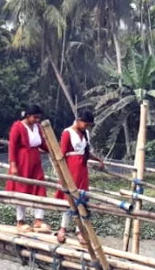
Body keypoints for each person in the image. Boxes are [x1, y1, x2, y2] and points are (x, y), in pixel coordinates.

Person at [54, 110, 104, 244]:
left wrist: (98, 159)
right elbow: (62, 154)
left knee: (81, 199)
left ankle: (80, 230)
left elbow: (86, 152)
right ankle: (63, 228)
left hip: (82, 170)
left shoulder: (85, 133)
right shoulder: (67, 132)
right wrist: (61, 172)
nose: (86, 127)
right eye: (86, 124)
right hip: (71, 169)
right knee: (69, 198)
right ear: (79, 120)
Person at [6, 104, 49, 232]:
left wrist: (53, 150)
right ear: (28, 116)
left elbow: (42, 144)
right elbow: (12, 147)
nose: (37, 120)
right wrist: (13, 165)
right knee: (22, 190)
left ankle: (38, 219)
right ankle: (20, 221)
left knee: (40, 187)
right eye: (35, 117)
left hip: (35, 162)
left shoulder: (37, 127)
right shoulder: (17, 126)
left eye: (39, 118)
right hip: (22, 162)